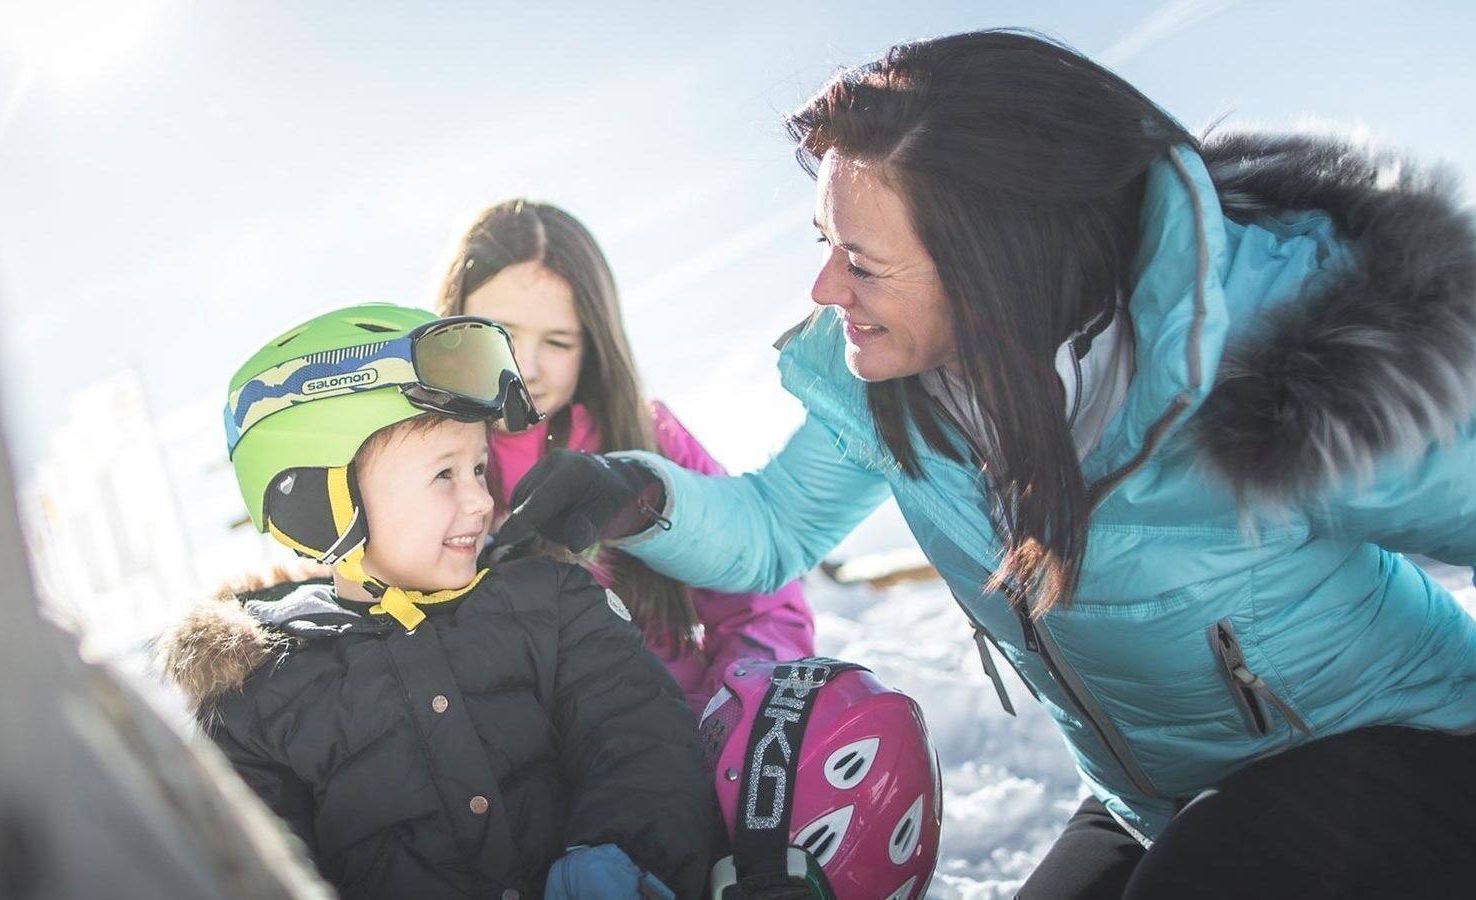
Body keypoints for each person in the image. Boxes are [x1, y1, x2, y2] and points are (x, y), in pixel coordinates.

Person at [496, 29, 1476, 899]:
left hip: (1418, 755)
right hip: (1159, 800)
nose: (824, 286)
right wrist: (634, 495)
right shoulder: (899, 391)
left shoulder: (1268, 365)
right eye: (824, 242)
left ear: (994, 267)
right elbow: (777, 531)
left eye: (864, 262)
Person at [164, 303, 716, 899]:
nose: (481, 501)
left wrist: (625, 851)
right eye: (444, 475)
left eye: (479, 469)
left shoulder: (551, 604)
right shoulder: (258, 700)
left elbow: (641, 733)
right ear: (324, 499)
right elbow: (250, 871)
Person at [436, 199, 815, 713]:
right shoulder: (411, 450)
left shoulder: (647, 439)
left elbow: (759, 606)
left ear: (593, 345)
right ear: (454, 323)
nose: (524, 367)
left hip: (666, 734)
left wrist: (724, 722)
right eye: (499, 333)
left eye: (558, 342)